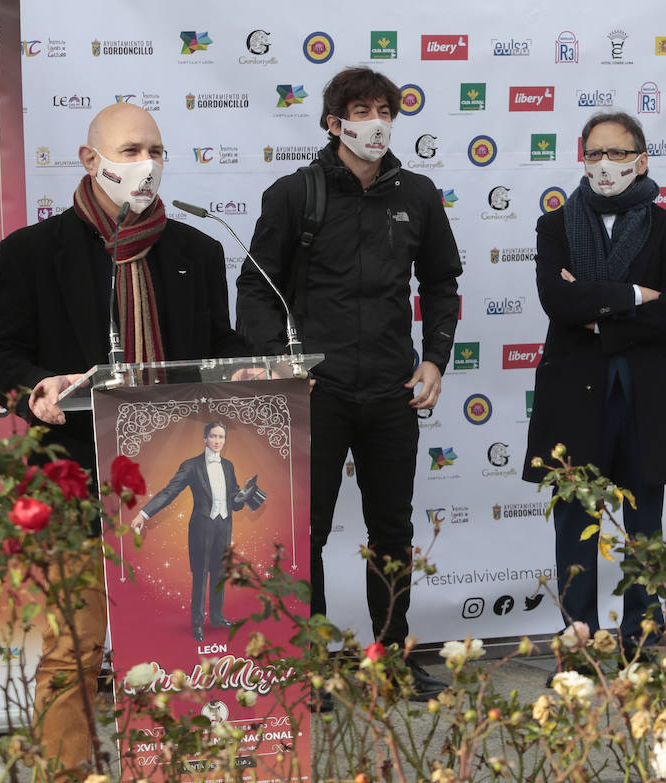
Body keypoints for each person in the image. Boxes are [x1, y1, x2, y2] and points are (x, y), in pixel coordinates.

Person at [0, 102, 248, 772]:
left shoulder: (198, 250)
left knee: (172, 642)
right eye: (129, 150)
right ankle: (69, 770)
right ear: (90, 159)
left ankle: (171, 763)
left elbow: (217, 345)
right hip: (74, 474)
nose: (146, 165)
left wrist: (246, 366)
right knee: (74, 648)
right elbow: (1, 357)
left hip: (170, 479)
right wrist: (35, 388)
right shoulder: (32, 253)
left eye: (155, 150)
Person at [237, 66, 461, 701]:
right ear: (333, 122)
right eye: (360, 110)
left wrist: (435, 359)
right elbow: (254, 287)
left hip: (393, 392)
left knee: (392, 530)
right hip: (317, 395)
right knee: (305, 532)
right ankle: (305, 668)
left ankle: (391, 656)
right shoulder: (294, 194)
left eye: (384, 109)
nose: (375, 122)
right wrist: (283, 361)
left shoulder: (417, 194)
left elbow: (442, 284)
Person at [522, 111, 666, 679]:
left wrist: (601, 311)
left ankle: (642, 643)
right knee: (574, 521)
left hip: (645, 397)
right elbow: (559, 304)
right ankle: (580, 646)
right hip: (575, 395)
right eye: (595, 152)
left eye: (618, 153)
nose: (605, 164)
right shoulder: (555, 226)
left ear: (641, 160)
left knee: (644, 524)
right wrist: (634, 295)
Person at [133, 421, 261, 642]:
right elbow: (169, 492)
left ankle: (218, 617)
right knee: (201, 574)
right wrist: (144, 514)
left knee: (220, 572)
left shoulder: (228, 466)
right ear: (205, 439)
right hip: (202, 527)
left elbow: (235, 503)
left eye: (221, 437)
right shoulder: (191, 465)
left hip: (224, 525)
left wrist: (246, 492)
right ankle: (197, 624)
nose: (217, 441)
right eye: (213, 436)